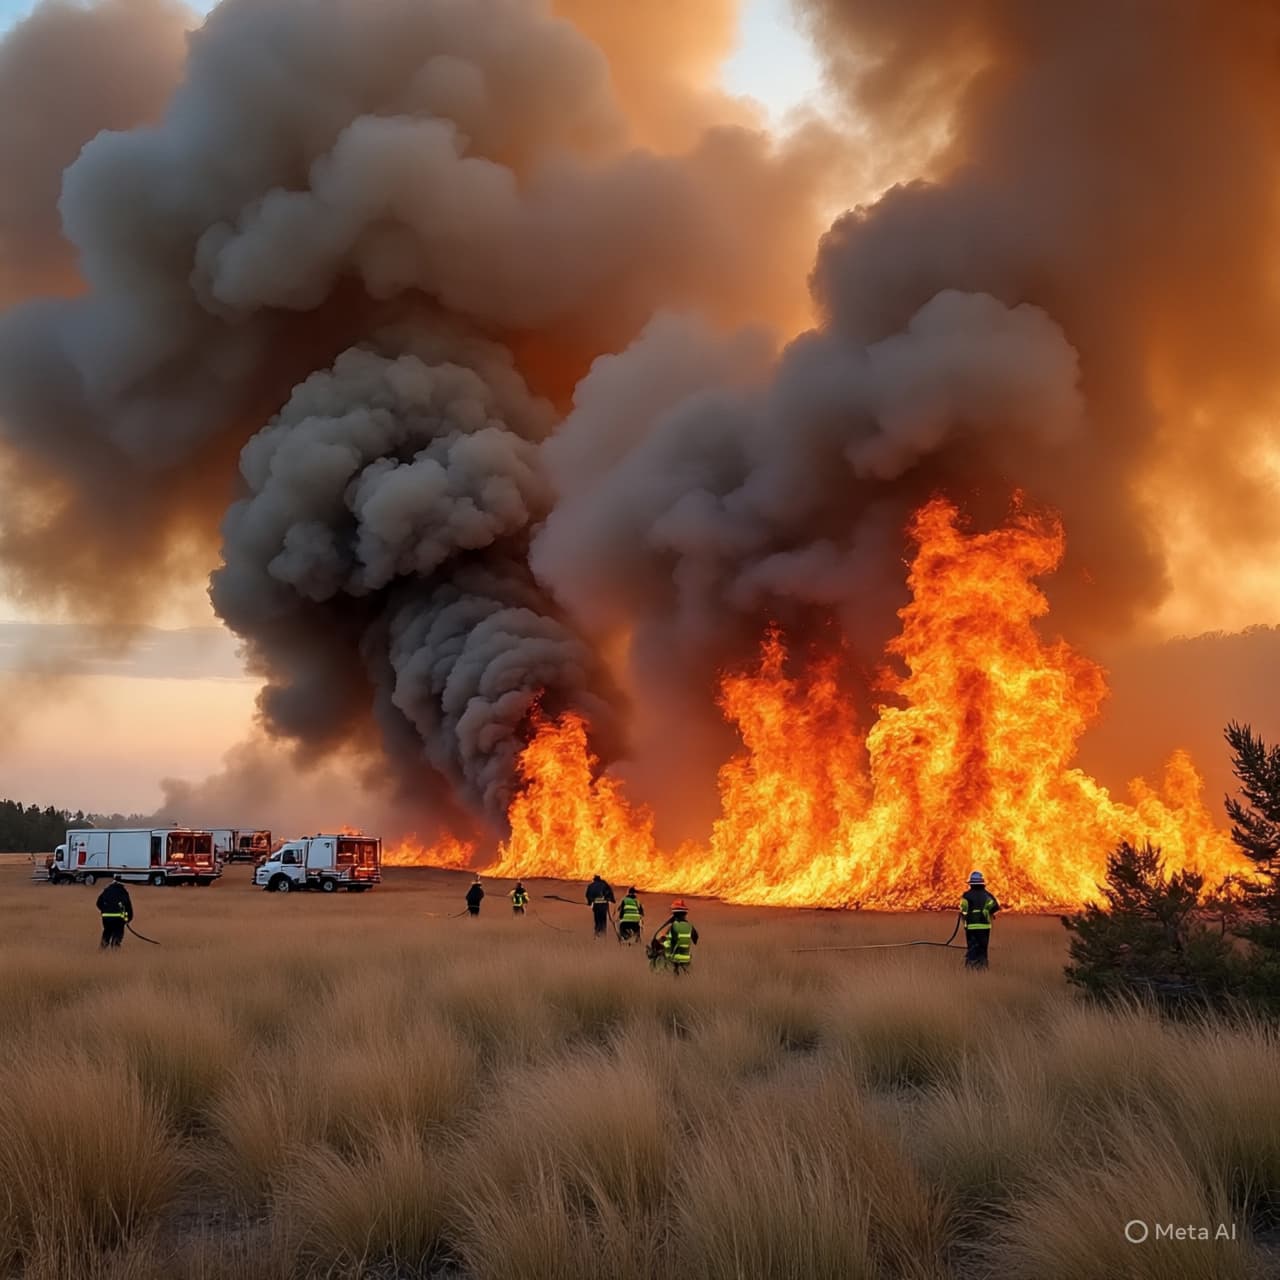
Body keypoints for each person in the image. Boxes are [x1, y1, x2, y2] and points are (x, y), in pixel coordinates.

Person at [959, 871, 1000, 970]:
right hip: (984, 927)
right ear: (982, 883)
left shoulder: (966, 896)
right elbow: (996, 907)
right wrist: (988, 912)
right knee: (983, 949)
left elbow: (963, 909)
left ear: (971, 884)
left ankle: (970, 969)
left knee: (972, 948)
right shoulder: (988, 895)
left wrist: (965, 916)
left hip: (971, 927)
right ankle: (983, 969)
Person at [650, 899, 698, 975]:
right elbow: (695, 939)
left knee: (660, 955)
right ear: (685, 914)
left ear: (674, 913)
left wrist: (661, 942)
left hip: (673, 957)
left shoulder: (672, 926)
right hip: (686, 957)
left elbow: (662, 937)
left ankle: (659, 976)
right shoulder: (690, 926)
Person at [96, 875, 134, 950]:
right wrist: (129, 918)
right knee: (118, 933)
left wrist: (105, 910)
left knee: (107, 932)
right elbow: (128, 906)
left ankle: (102, 948)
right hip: (119, 919)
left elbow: (98, 903)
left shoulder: (106, 890)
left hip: (107, 918)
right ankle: (115, 948)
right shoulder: (123, 892)